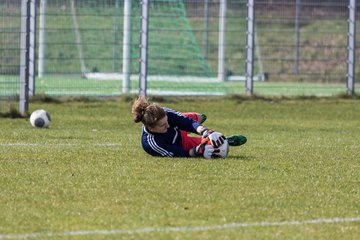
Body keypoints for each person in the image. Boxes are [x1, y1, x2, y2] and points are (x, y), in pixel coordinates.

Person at [131, 96, 247, 158]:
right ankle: (226, 140)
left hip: (180, 127)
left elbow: (185, 121)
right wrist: (197, 151)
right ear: (151, 128)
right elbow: (179, 153)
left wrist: (205, 131)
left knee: (198, 117)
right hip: (181, 143)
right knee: (210, 147)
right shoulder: (151, 144)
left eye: (167, 121)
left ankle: (208, 132)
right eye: (163, 125)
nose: (168, 125)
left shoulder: (165, 112)